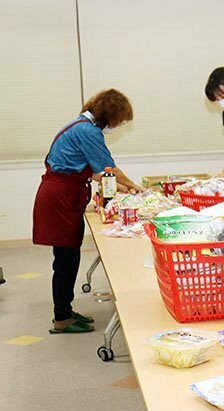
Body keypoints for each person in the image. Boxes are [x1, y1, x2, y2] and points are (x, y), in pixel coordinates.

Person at [33, 89, 142, 334]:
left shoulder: (81, 124)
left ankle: (65, 310)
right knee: (64, 260)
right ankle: (61, 317)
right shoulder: (88, 131)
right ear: (111, 115)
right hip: (60, 198)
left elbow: (95, 173)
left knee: (70, 258)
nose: (119, 126)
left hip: (64, 194)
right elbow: (108, 168)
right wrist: (134, 187)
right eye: (120, 121)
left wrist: (124, 188)